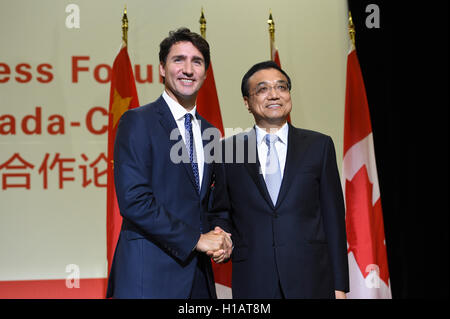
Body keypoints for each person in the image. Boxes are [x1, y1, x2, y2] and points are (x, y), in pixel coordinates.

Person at [106, 28, 232, 299]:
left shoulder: (211, 133)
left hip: (199, 279)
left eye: (196, 62)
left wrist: (223, 236)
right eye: (179, 60)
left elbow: (213, 203)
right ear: (162, 68)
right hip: (148, 277)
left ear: (206, 73)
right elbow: (134, 200)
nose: (188, 69)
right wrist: (197, 240)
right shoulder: (136, 121)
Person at [211, 61, 349, 298]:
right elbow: (220, 212)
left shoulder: (319, 146)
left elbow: (333, 220)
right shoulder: (227, 152)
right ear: (247, 102)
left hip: (313, 280)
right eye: (263, 89)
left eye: (282, 87)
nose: (274, 95)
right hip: (254, 281)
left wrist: (339, 286)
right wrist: (221, 236)